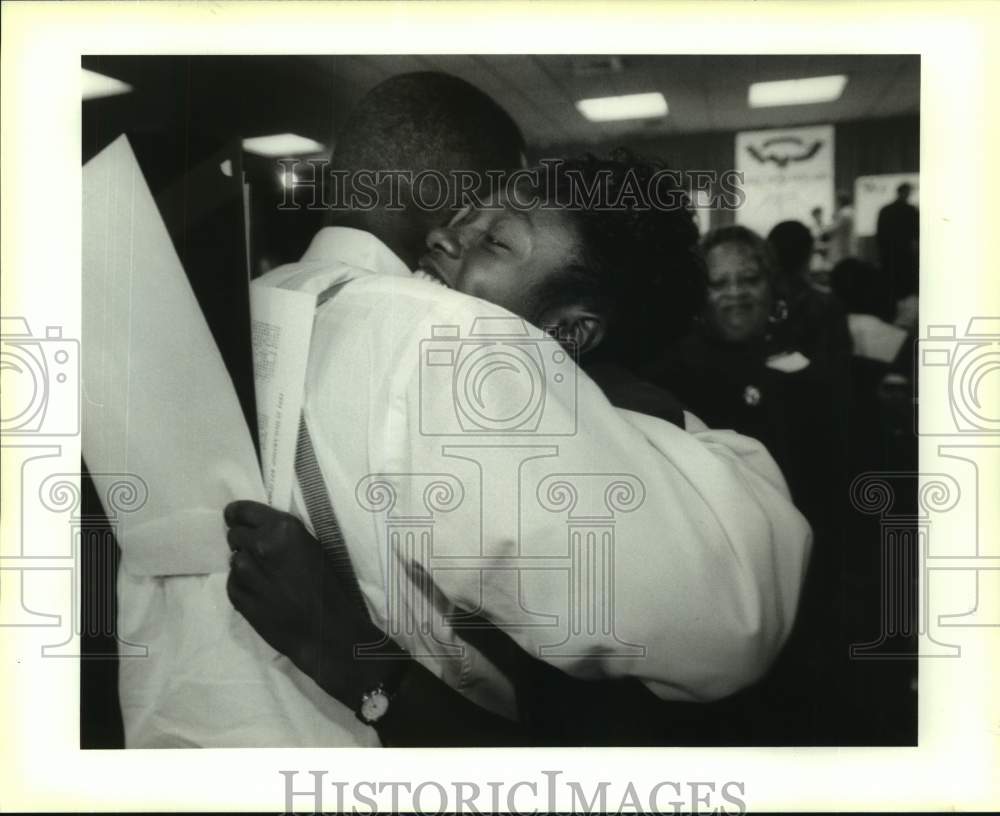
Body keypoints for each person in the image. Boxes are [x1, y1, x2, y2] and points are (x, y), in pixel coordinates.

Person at [225, 82, 812, 746]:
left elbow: (728, 620)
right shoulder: (453, 341)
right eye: (475, 216)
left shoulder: (249, 310)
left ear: (572, 331)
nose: (447, 236)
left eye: (497, 239)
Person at [876, 181, 919, 302]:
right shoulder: (911, 211)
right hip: (904, 252)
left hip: (890, 253)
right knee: (905, 284)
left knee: (891, 284)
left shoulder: (885, 210)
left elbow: (880, 235)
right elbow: (916, 233)